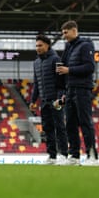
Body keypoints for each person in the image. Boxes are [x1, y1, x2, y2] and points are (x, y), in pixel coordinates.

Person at [57, 20, 99, 166]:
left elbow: (89, 67)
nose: (63, 36)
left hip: (82, 89)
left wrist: (69, 70)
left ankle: (92, 156)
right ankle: (74, 156)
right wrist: (63, 91)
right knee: (70, 124)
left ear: (74, 30)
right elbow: (64, 70)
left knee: (85, 122)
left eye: (65, 32)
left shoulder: (86, 45)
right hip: (70, 90)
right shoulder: (68, 47)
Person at [29, 34, 68, 165]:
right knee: (47, 128)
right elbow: (36, 83)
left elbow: (61, 82)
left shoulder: (56, 59)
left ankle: (63, 154)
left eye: (40, 45)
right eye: (36, 46)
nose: (37, 48)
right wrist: (33, 100)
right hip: (44, 101)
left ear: (47, 45)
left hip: (55, 100)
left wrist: (59, 99)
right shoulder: (36, 62)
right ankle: (52, 156)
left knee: (60, 127)